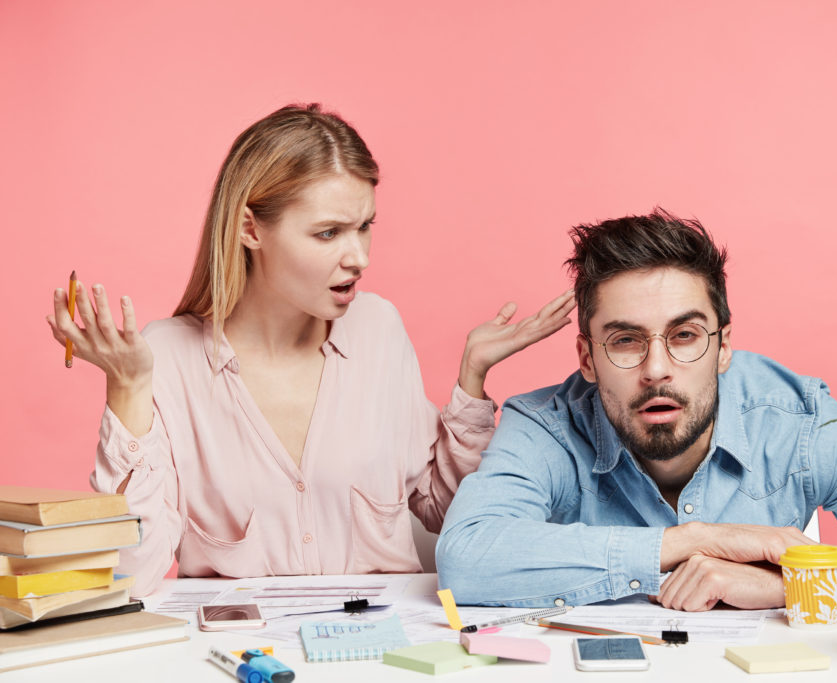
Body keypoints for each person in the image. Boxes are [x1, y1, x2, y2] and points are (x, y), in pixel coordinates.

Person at [46, 104, 574, 597]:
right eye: (328, 233)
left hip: (386, 648)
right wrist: (129, 388)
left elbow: (446, 513)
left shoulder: (377, 328)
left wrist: (472, 379)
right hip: (242, 654)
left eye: (365, 226)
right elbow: (130, 575)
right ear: (250, 228)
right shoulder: (168, 357)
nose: (359, 256)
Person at [437, 209, 837, 611]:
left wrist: (792, 587)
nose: (656, 370)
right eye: (625, 341)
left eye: (685, 336)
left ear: (723, 347)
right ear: (587, 358)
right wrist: (694, 541)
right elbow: (465, 557)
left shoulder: (798, 418)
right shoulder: (547, 426)